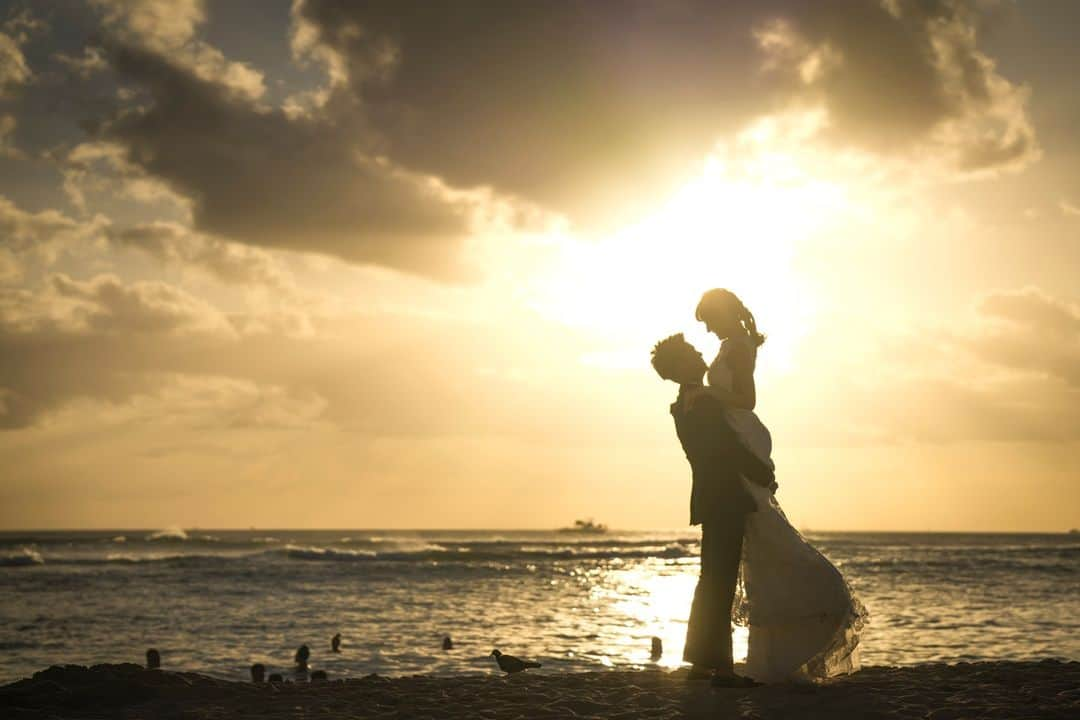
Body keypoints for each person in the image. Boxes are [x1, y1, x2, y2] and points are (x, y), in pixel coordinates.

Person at [651, 333, 774, 686]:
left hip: (709, 496)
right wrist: (763, 473)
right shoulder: (701, 404)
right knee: (718, 581)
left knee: (711, 579)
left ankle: (702, 662)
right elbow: (727, 450)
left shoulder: (683, 404)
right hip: (724, 495)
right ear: (680, 366)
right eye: (691, 352)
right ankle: (721, 668)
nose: (699, 352)